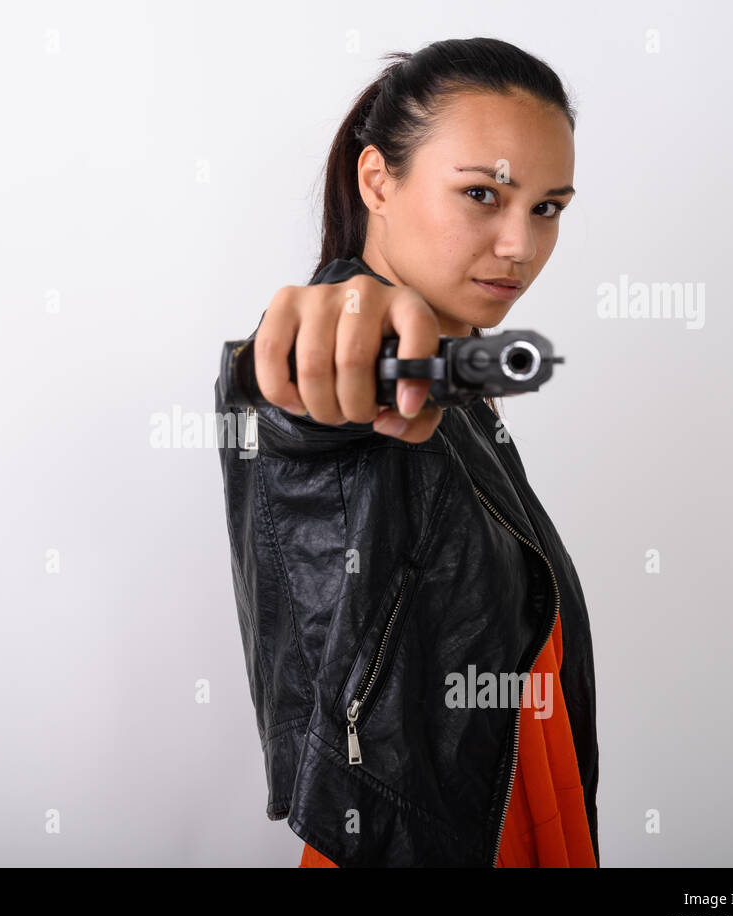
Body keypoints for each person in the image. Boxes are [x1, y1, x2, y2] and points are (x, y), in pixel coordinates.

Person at [214, 37, 599, 867]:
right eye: (482, 194)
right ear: (377, 180)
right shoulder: (364, 360)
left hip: (522, 797)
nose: (519, 246)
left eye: (547, 207)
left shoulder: (453, 385)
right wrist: (317, 337)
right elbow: (297, 409)